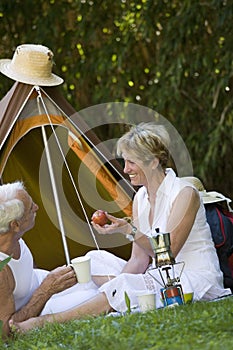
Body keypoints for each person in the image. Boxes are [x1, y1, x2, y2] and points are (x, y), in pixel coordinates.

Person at [11, 122, 231, 332]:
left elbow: (169, 251)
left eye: (132, 162)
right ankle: (89, 300)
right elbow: (139, 260)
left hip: (193, 278)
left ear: (153, 161)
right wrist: (115, 285)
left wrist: (128, 231)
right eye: (125, 162)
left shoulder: (184, 193)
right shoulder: (141, 198)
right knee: (95, 260)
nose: (125, 170)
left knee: (125, 283)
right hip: (159, 274)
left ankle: (46, 321)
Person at [0, 181, 98, 337]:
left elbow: (24, 269)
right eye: (31, 208)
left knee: (97, 259)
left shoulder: (14, 236)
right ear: (15, 225)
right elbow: (5, 332)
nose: (37, 207)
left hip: (46, 285)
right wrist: (46, 290)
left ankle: (125, 286)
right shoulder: (2, 271)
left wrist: (51, 281)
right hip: (40, 306)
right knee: (93, 295)